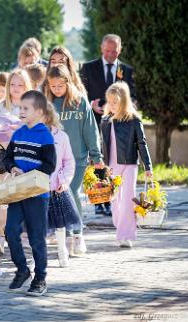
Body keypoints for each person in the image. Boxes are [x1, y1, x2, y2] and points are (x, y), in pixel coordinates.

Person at [44, 65, 103, 256]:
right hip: (54, 160)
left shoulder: (80, 102)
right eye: (53, 86)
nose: (57, 89)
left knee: (72, 192)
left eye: (60, 85)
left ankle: (78, 234)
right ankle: (66, 235)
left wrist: (96, 156)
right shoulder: (47, 104)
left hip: (77, 158)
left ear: (68, 82)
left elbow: (90, 130)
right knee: (60, 195)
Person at [3, 90, 56, 296]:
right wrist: (12, 168)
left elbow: (49, 165)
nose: (21, 111)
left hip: (37, 196)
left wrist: (30, 174)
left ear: (39, 112)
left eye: (26, 108)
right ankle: (22, 269)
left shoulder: (45, 136)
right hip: (17, 193)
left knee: (36, 237)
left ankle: (40, 278)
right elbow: (7, 158)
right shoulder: (18, 133)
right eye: (20, 107)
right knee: (10, 231)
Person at [80, 34, 136, 217]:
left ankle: (113, 201)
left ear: (120, 50)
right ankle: (99, 200)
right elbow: (80, 95)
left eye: (114, 51)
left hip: (120, 126)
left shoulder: (126, 70)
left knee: (114, 161)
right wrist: (91, 104)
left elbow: (133, 98)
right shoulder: (88, 68)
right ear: (101, 49)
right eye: (107, 51)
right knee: (98, 159)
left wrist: (122, 108)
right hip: (95, 122)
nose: (111, 54)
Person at [101, 82, 152, 248]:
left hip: (129, 164)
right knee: (115, 200)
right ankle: (120, 225)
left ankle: (125, 234)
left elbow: (142, 143)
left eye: (115, 102)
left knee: (128, 199)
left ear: (124, 101)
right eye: (109, 101)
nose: (112, 105)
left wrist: (148, 167)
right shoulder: (106, 121)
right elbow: (102, 145)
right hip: (111, 166)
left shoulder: (134, 120)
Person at [0, 69, 32, 255]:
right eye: (12, 84)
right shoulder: (0, 107)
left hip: (25, 157)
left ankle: (24, 236)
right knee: (2, 197)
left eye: (20, 84)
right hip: (4, 159)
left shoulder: (32, 106)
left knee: (25, 196)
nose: (16, 88)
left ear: (27, 86)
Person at [41, 102, 80, 267]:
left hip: (57, 188)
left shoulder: (62, 137)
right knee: (39, 224)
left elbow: (68, 161)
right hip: (37, 189)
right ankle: (40, 254)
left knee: (60, 223)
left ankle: (62, 248)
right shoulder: (31, 137)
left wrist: (64, 181)